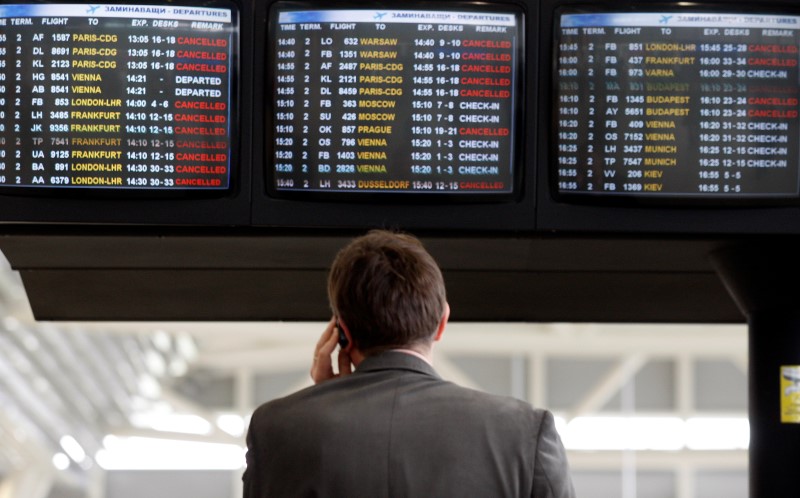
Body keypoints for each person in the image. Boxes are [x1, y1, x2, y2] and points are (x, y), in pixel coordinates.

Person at [243, 230, 575, 497]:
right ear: (442, 322)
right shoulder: (524, 434)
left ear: (342, 332)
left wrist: (326, 408)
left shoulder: (276, 431)